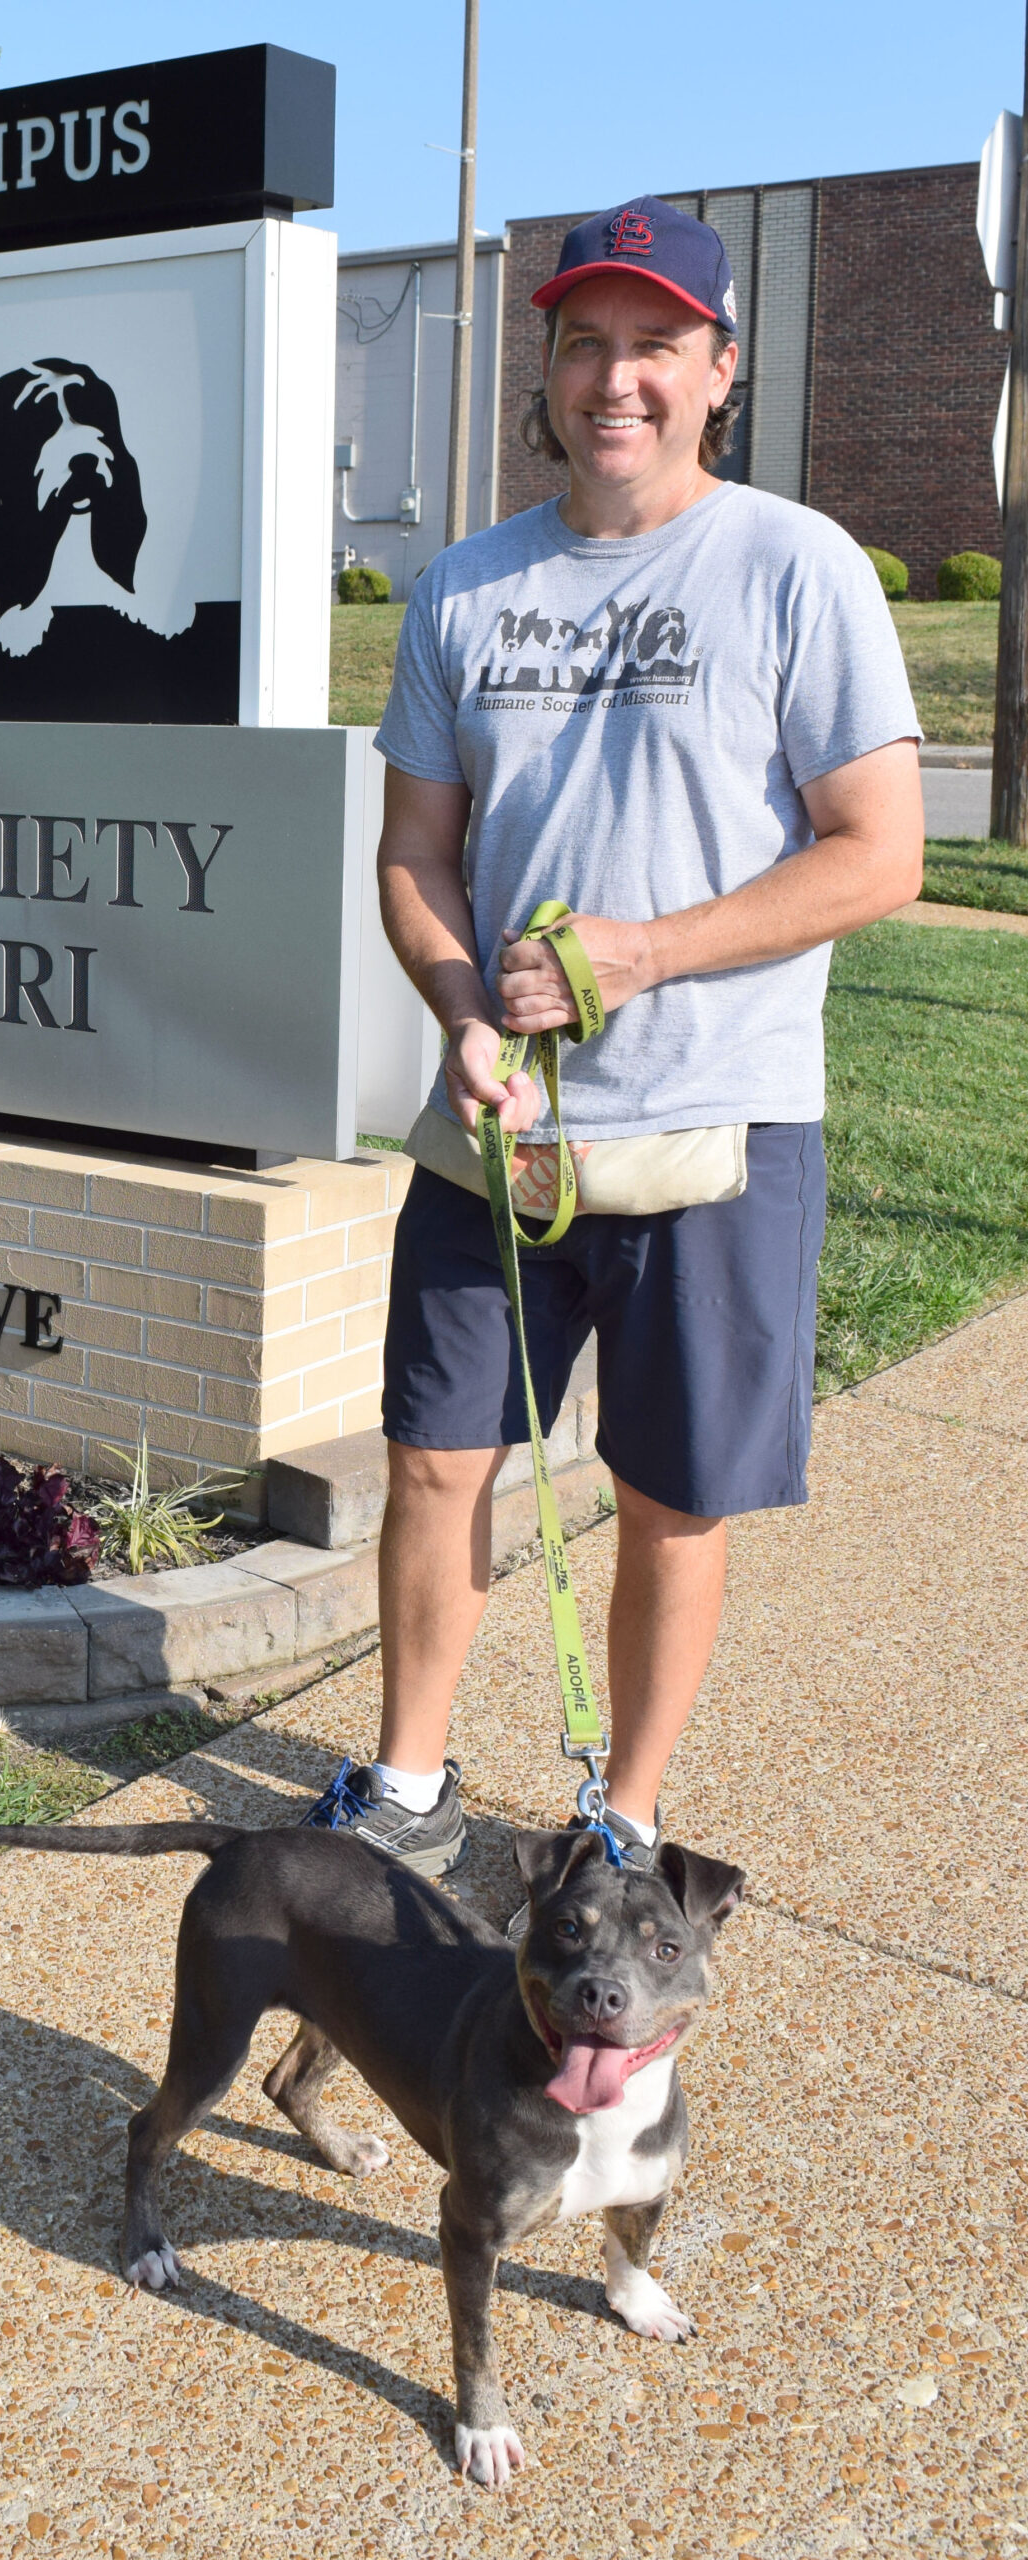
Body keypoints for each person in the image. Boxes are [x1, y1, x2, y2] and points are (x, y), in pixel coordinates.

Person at [306, 195, 923, 1877]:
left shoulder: (790, 566)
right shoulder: (462, 587)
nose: (616, 380)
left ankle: (621, 1822)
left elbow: (880, 852)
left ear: (717, 368)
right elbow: (414, 855)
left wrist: (641, 953)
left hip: (711, 1128)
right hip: (499, 1129)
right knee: (435, 1466)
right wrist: (455, 1010)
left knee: (669, 1504)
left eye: (655, 345)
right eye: (586, 343)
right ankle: (412, 1790)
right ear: (550, 366)